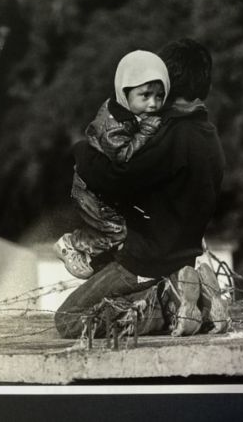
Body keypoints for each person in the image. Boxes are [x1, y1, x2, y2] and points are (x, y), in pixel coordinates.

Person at [54, 39, 229, 339]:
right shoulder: (209, 137)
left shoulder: (174, 136)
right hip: (183, 253)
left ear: (168, 85)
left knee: (68, 319)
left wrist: (82, 152)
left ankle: (166, 299)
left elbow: (116, 178)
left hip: (147, 258)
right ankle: (197, 297)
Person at [54, 50, 170, 279]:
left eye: (159, 96)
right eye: (145, 95)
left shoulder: (137, 118)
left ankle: (100, 262)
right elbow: (123, 157)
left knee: (131, 229)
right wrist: (147, 132)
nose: (153, 103)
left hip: (110, 187)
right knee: (115, 232)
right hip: (91, 190)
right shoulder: (112, 123)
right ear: (124, 93)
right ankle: (71, 243)